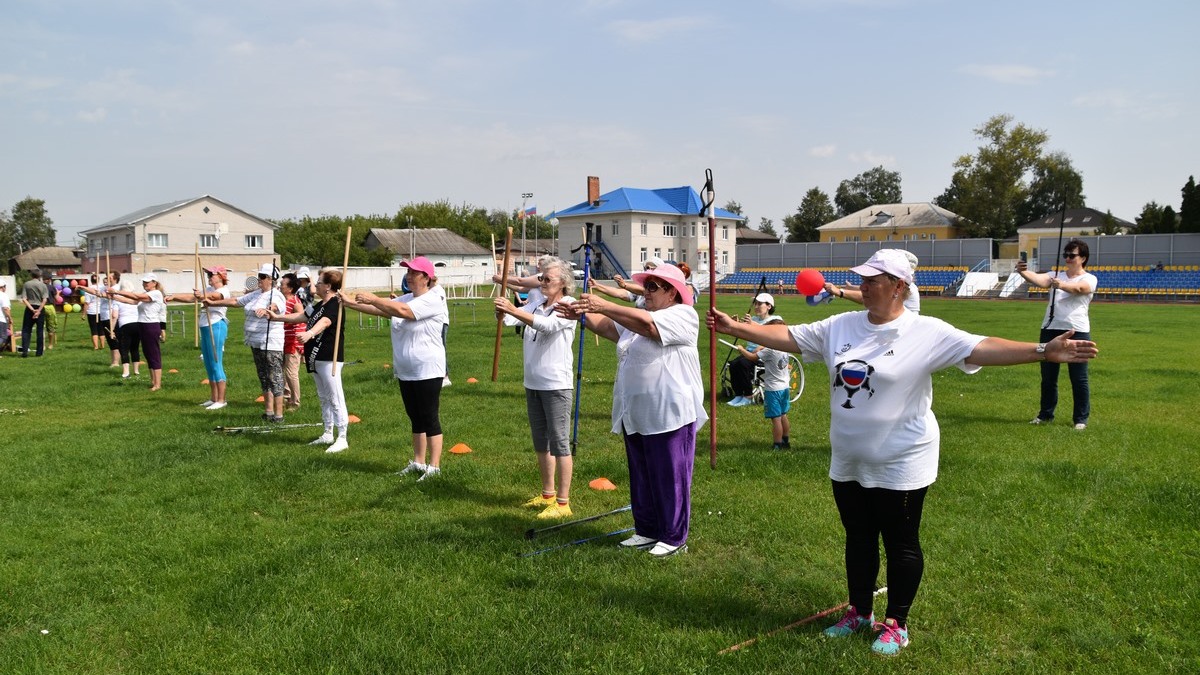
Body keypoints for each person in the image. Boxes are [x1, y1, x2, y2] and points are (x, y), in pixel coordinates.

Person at [707, 248, 1098, 657]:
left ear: (898, 287)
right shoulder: (841, 326)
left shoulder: (925, 331)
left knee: (900, 542)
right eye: (862, 278)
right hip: (849, 458)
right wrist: (738, 327)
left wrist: (1042, 351)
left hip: (902, 459)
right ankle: (859, 612)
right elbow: (789, 336)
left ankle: (897, 622)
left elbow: (980, 348)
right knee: (858, 538)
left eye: (872, 280)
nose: (863, 285)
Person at [557, 263, 706, 557]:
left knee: (669, 475)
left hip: (670, 412)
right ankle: (647, 530)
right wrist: (582, 314)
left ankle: (674, 537)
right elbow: (610, 328)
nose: (645, 291)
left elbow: (649, 327)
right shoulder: (641, 317)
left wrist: (605, 304)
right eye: (645, 285)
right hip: (637, 411)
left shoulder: (683, 315)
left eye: (652, 287)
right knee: (641, 474)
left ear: (673, 292)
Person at [343, 256, 447, 480]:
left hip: (427, 368)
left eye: (413, 273)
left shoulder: (434, 298)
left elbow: (401, 311)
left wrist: (372, 298)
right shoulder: (408, 297)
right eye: (407, 272)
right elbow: (384, 309)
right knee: (415, 417)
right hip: (406, 369)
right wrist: (351, 303)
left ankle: (435, 466)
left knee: (429, 417)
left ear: (426, 277)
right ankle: (418, 462)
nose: (408, 277)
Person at [493, 259, 579, 520]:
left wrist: (514, 311)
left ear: (563, 283)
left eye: (547, 279)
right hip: (533, 381)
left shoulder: (568, 306)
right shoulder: (536, 303)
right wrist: (502, 312)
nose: (542, 283)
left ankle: (563, 504)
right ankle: (547, 494)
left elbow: (547, 326)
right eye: (541, 279)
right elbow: (512, 320)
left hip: (556, 384)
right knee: (541, 442)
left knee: (560, 443)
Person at [1015, 239, 1097, 430]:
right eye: (1066, 255)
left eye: (1072, 255)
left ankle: (1080, 419)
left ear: (1083, 258)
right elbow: (1040, 280)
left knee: (1079, 378)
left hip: (1077, 331)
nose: (1068, 258)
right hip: (1050, 329)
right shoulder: (1054, 275)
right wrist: (1023, 271)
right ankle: (1045, 415)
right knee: (1048, 377)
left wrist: (1061, 285)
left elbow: (1079, 289)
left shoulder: (1090, 278)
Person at [268, 269, 349, 453]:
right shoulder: (320, 304)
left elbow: (326, 322)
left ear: (328, 286)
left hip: (330, 358)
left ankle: (342, 436)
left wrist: (310, 333)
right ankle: (328, 432)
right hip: (316, 357)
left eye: (319, 282)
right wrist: (277, 318)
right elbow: (303, 316)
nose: (315, 285)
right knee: (323, 396)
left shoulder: (336, 304)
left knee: (335, 397)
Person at [205, 263, 286, 422]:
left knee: (274, 378)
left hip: (270, 342)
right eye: (259, 277)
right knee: (263, 377)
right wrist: (212, 303)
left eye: (262, 277)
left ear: (271, 279)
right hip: (256, 342)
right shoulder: (257, 293)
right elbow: (236, 301)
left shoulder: (276, 294)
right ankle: (268, 412)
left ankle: (279, 415)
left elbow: (278, 306)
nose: (259, 280)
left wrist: (269, 309)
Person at [726, 292, 785, 407]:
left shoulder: (776, 319)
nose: (756, 306)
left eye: (760, 304)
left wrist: (752, 324)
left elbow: (772, 333)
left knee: (743, 364)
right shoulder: (753, 319)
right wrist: (735, 323)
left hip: (765, 354)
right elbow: (743, 331)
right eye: (755, 304)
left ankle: (748, 396)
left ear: (769, 306)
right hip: (750, 351)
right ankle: (738, 394)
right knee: (733, 364)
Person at [111, 273, 167, 391]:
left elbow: (136, 297)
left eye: (147, 282)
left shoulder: (156, 293)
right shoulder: (146, 294)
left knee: (154, 354)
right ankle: (153, 381)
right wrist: (113, 297)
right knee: (148, 354)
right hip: (142, 325)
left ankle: (157, 384)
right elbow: (132, 301)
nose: (144, 284)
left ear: (154, 283)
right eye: (143, 282)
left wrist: (117, 292)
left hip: (151, 326)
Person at [824, 249, 921, 314]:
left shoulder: (910, 287)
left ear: (899, 286)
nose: (863, 287)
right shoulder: (908, 286)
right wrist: (851, 287)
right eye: (864, 280)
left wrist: (839, 292)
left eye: (872, 281)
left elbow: (870, 296)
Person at [740, 341, 792, 450]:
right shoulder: (784, 346)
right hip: (785, 387)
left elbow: (752, 357)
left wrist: (741, 349)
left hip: (773, 390)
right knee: (783, 415)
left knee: (776, 419)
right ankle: (786, 441)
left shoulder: (770, 350)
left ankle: (777, 445)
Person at [191, 266, 231, 409]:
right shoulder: (208, 289)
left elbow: (215, 298)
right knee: (208, 362)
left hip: (216, 326)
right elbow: (192, 297)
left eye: (211, 274)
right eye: (208, 274)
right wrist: (172, 297)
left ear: (220, 276)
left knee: (215, 361)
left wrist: (202, 296)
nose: (208, 277)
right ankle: (213, 398)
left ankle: (221, 400)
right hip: (205, 326)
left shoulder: (223, 291)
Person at [587, 256, 665, 307]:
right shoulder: (642, 288)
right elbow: (620, 293)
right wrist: (597, 286)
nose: (648, 270)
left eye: (653, 268)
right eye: (647, 268)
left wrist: (625, 285)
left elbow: (643, 291)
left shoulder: (663, 289)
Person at [278, 273, 304, 411]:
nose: (280, 286)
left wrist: (300, 342)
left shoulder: (295, 302)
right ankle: (286, 396)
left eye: (283, 284)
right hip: (282, 340)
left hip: (293, 341)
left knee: (291, 372)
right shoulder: (281, 301)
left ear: (290, 288)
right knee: (283, 371)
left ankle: (295, 402)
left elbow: (302, 319)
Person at [111, 273, 142, 378]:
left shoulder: (118, 300)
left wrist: (112, 330)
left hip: (125, 325)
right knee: (135, 348)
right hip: (138, 324)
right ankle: (136, 371)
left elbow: (114, 315)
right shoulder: (136, 299)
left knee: (124, 348)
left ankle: (126, 372)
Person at [19, 269, 49, 357]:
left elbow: (24, 299)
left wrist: (32, 310)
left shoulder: (27, 284)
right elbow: (44, 299)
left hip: (30, 307)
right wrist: (38, 311)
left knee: (26, 330)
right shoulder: (43, 285)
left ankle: (24, 351)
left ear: (31, 275)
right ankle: (39, 353)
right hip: (40, 307)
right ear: (39, 276)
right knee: (39, 331)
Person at [84, 274, 104, 350]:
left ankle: (96, 347)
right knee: (101, 329)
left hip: (92, 312)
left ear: (91, 280)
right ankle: (102, 346)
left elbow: (87, 303)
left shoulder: (88, 289)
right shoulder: (102, 288)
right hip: (101, 311)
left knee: (94, 329)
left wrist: (84, 314)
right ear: (98, 280)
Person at [0, 279, 11, 353]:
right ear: (3, 287)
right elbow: (5, 308)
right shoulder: (3, 295)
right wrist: (10, 318)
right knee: (3, 337)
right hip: (1, 319)